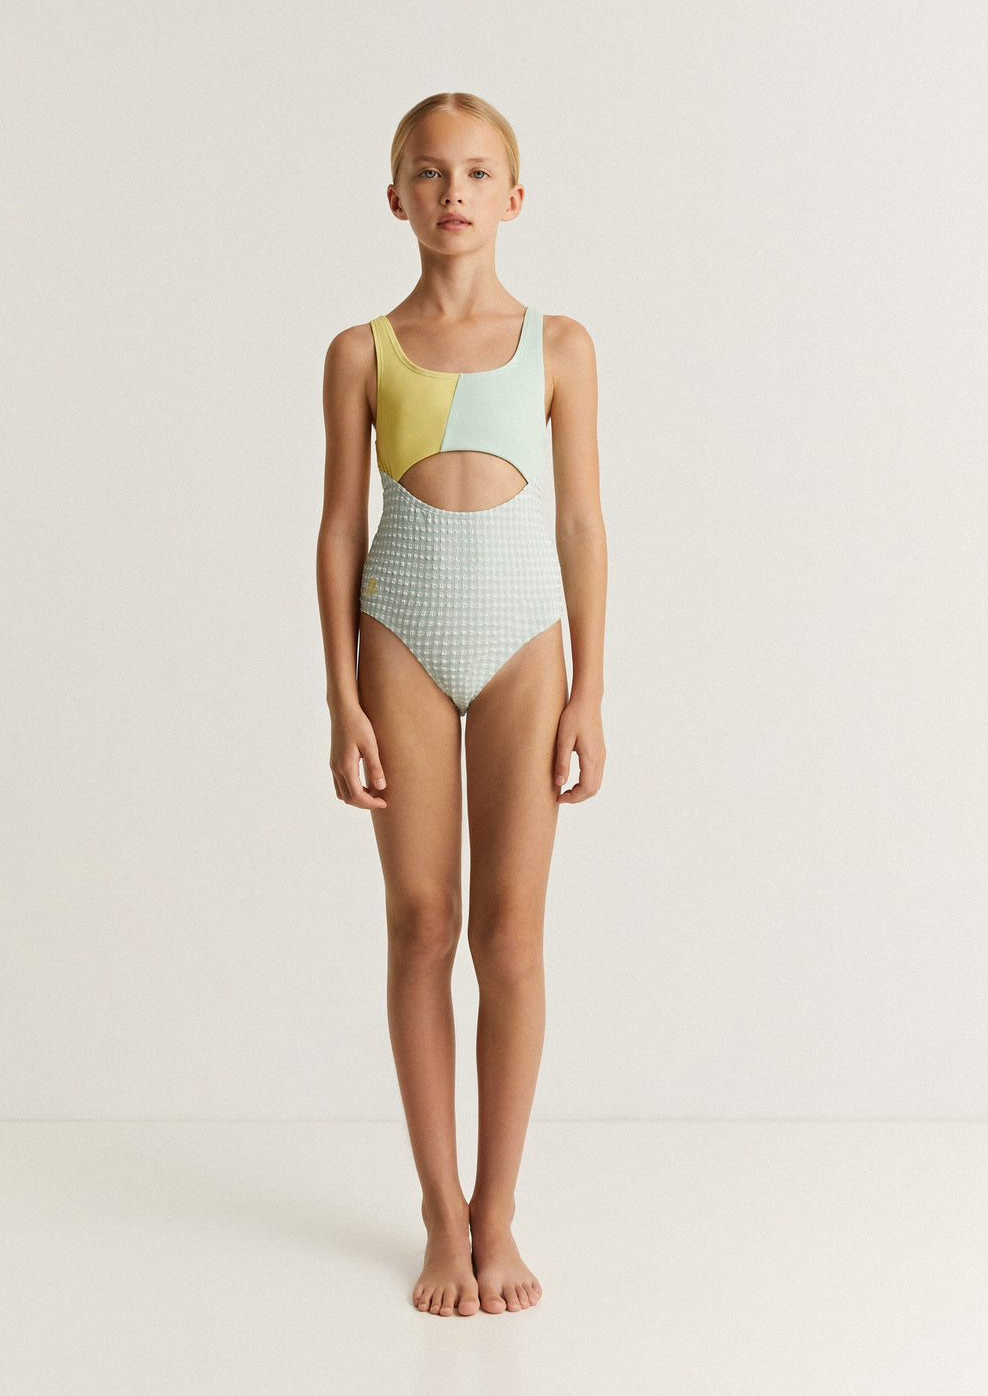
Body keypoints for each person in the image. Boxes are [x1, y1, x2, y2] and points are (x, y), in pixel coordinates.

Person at [316, 92, 606, 1317]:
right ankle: (440, 1210)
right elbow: (341, 527)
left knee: (511, 939)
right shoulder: (361, 351)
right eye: (430, 173)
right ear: (396, 197)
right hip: (402, 644)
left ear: (514, 198)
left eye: (478, 173)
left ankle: (499, 1209)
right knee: (423, 926)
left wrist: (591, 688)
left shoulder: (559, 345)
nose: (453, 193)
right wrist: (342, 695)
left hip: (524, 649)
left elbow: (580, 521)